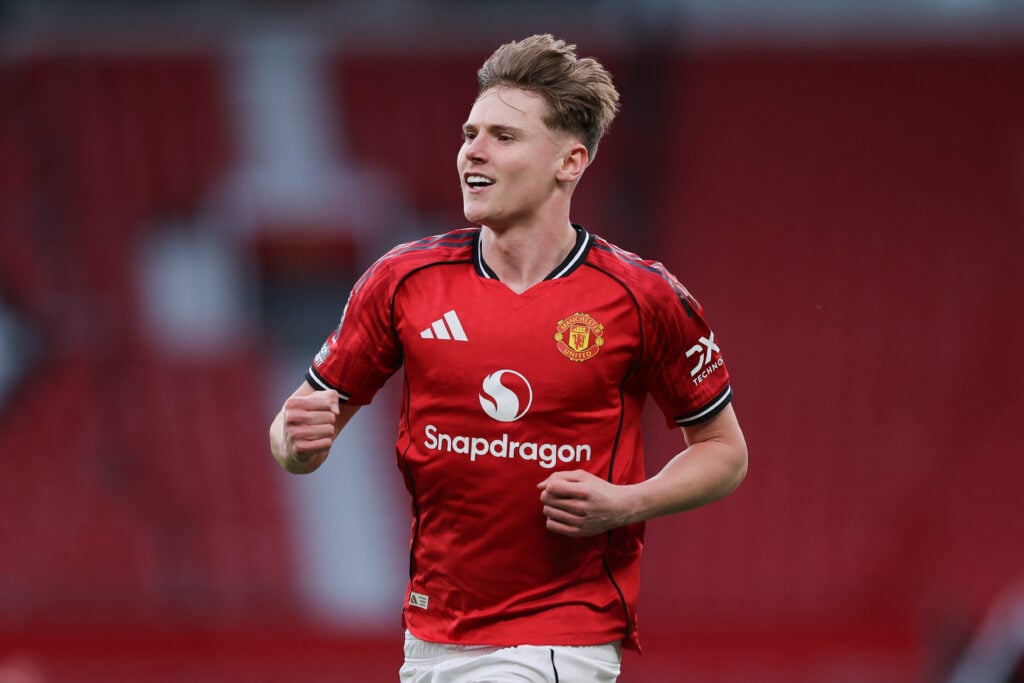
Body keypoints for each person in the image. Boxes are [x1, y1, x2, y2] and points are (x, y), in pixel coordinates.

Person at [269, 33, 747, 683]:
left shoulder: (642, 295)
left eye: (503, 135)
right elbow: (299, 426)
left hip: (560, 634)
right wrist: (295, 443)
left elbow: (723, 450)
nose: (473, 150)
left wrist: (626, 501)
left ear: (569, 161)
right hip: (432, 634)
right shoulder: (404, 279)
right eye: (470, 132)